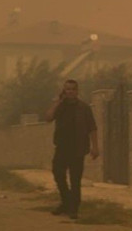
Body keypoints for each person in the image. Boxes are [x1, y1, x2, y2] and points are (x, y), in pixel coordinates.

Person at [45, 79, 99, 219]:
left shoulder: (84, 108)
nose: (70, 92)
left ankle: (73, 208)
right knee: (58, 174)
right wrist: (57, 102)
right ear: (64, 91)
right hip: (62, 147)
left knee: (75, 180)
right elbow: (48, 118)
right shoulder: (60, 106)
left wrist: (95, 147)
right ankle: (66, 202)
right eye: (68, 89)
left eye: (73, 89)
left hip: (78, 148)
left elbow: (92, 128)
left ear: (77, 91)